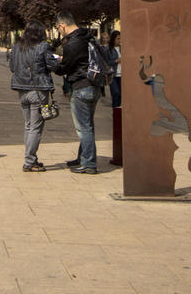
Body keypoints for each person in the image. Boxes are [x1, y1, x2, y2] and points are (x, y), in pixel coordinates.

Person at [9, 19, 60, 172]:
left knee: (29, 126)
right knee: (36, 128)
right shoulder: (43, 47)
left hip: (21, 90)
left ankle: (31, 158)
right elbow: (53, 66)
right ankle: (29, 161)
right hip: (38, 91)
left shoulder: (17, 46)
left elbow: (12, 67)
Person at [55, 10, 100, 174]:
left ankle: (89, 164)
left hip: (81, 86)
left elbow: (64, 68)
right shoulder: (87, 37)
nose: (59, 31)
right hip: (94, 85)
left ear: (62, 25)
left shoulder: (73, 42)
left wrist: (55, 64)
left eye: (57, 28)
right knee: (88, 125)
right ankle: (83, 157)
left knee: (83, 128)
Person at [108, 30, 122, 108]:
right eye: (118, 39)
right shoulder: (108, 49)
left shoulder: (123, 49)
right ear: (113, 39)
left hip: (122, 75)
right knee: (116, 93)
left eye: (120, 38)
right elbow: (106, 62)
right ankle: (115, 109)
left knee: (121, 95)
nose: (119, 41)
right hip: (113, 74)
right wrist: (116, 61)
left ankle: (118, 113)